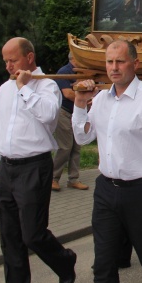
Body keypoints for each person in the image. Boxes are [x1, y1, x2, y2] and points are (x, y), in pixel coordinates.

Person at [72, 40, 142, 283]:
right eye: (109, 62)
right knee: (103, 265)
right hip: (106, 191)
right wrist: (80, 105)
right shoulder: (101, 100)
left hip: (140, 192)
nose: (114, 67)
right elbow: (83, 139)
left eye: (120, 61)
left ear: (135, 63)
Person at [0, 37, 77, 283]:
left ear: (29, 58)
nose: (8, 66)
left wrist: (24, 87)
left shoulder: (47, 86)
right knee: (9, 236)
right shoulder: (4, 89)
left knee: (32, 234)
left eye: (13, 60)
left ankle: (65, 263)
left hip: (34, 167)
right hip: (7, 169)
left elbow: (48, 116)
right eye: (5, 61)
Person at [52, 53, 88, 191]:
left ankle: (73, 179)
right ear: (73, 59)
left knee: (76, 147)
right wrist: (84, 99)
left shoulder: (83, 73)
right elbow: (67, 94)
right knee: (65, 146)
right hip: (64, 113)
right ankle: (53, 178)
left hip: (76, 114)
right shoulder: (64, 72)